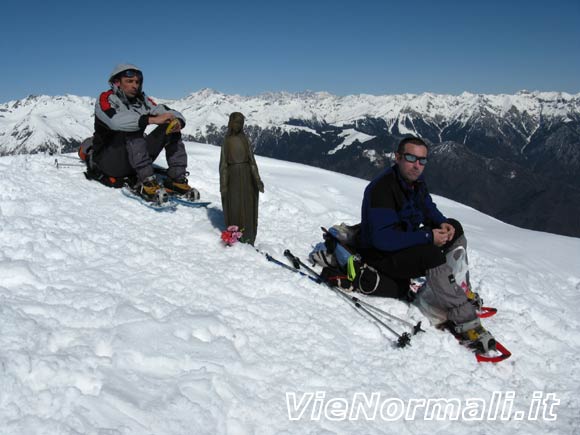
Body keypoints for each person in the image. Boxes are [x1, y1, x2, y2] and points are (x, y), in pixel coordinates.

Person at [354, 136, 495, 353]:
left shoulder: (415, 184)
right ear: (398, 157)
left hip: (403, 244)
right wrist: (428, 237)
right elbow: (383, 240)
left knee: (455, 228)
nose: (417, 165)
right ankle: (463, 318)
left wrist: (443, 224)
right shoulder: (382, 189)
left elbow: (428, 208)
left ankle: (457, 290)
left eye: (422, 160)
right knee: (430, 255)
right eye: (411, 158)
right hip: (380, 255)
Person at [83, 63, 198, 201]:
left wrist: (178, 120)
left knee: (170, 126)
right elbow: (116, 121)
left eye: (137, 82)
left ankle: (176, 178)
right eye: (129, 81)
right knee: (133, 128)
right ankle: (146, 181)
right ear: (117, 82)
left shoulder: (142, 100)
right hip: (110, 162)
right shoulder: (106, 99)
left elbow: (165, 110)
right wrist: (151, 120)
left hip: (134, 158)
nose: (134, 85)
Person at [219, 112, 264, 245]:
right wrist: (224, 184)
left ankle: (249, 236)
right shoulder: (226, 141)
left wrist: (257, 179)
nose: (238, 126)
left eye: (241, 123)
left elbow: (252, 161)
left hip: (246, 175)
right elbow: (223, 165)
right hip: (233, 177)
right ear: (231, 123)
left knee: (248, 206)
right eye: (236, 122)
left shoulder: (245, 140)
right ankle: (235, 235)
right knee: (235, 205)